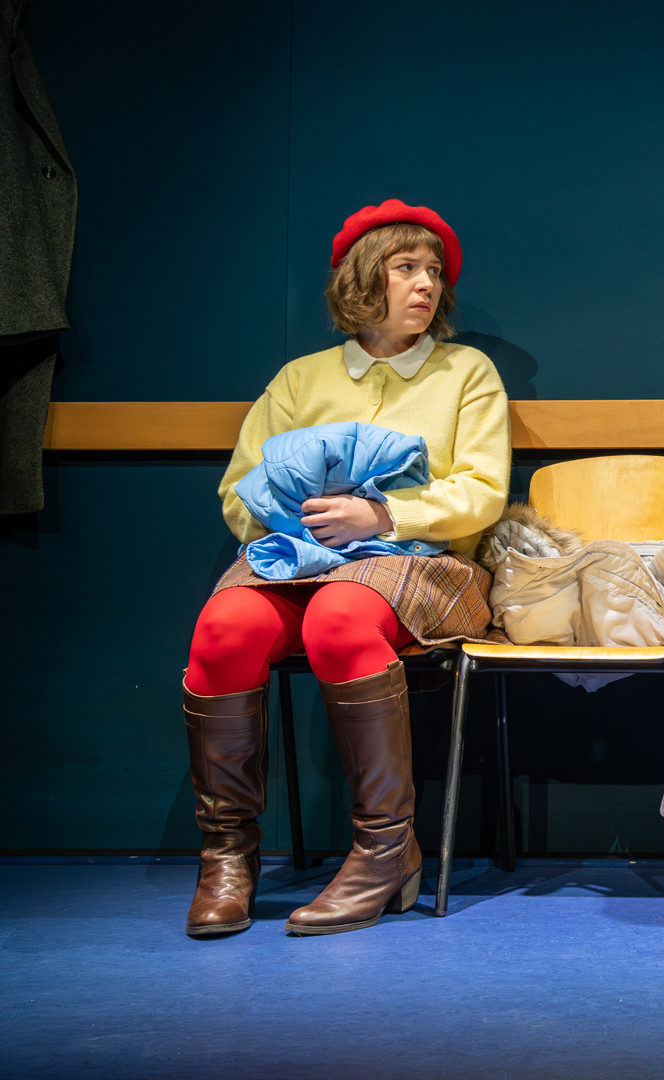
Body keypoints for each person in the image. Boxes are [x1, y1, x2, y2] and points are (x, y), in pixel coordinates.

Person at [180, 200, 509, 937]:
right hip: (296, 558)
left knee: (339, 616)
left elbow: (482, 491)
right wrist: (299, 525)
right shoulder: (301, 380)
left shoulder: (466, 372)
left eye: (433, 272)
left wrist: (384, 517)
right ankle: (227, 856)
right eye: (406, 268)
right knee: (224, 628)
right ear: (364, 279)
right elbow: (239, 491)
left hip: (425, 563)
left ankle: (386, 851)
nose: (426, 284)